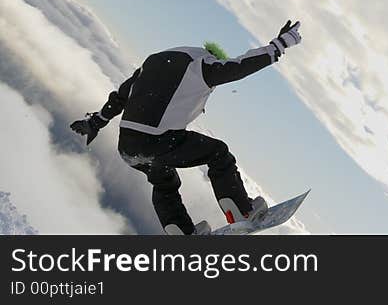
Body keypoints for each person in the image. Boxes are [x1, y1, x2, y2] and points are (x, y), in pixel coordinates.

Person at [70, 20, 302, 235]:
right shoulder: (202, 65)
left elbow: (120, 97)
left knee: (163, 181)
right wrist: (279, 45)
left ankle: (181, 232)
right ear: (213, 56)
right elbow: (238, 67)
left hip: (128, 148)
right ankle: (242, 212)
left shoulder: (153, 63)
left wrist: (94, 123)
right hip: (158, 140)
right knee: (218, 153)